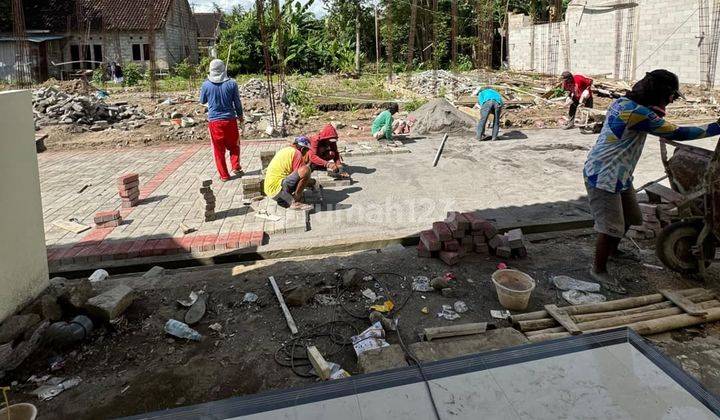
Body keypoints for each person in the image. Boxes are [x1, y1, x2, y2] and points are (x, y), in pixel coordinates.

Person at [584, 69, 720, 293]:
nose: (671, 101)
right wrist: (716, 127)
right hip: (603, 175)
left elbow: (651, 117)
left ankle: (613, 251)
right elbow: (677, 133)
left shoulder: (624, 103)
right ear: (659, 93)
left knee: (632, 217)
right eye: (671, 96)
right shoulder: (638, 114)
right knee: (611, 227)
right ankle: (598, 269)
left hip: (619, 174)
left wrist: (655, 111)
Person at [199, 59, 244, 181]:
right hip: (230, 120)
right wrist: (240, 116)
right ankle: (236, 166)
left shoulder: (206, 85)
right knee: (234, 145)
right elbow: (237, 102)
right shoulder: (232, 83)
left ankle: (224, 175)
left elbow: (202, 101)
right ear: (223, 69)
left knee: (218, 150)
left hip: (214, 122)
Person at [264, 137, 314, 211]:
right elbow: (301, 176)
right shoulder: (297, 153)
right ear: (303, 149)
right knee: (306, 170)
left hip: (270, 191)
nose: (306, 153)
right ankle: (295, 201)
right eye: (306, 151)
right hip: (279, 191)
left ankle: (287, 199)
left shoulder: (286, 150)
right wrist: (313, 182)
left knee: (304, 173)